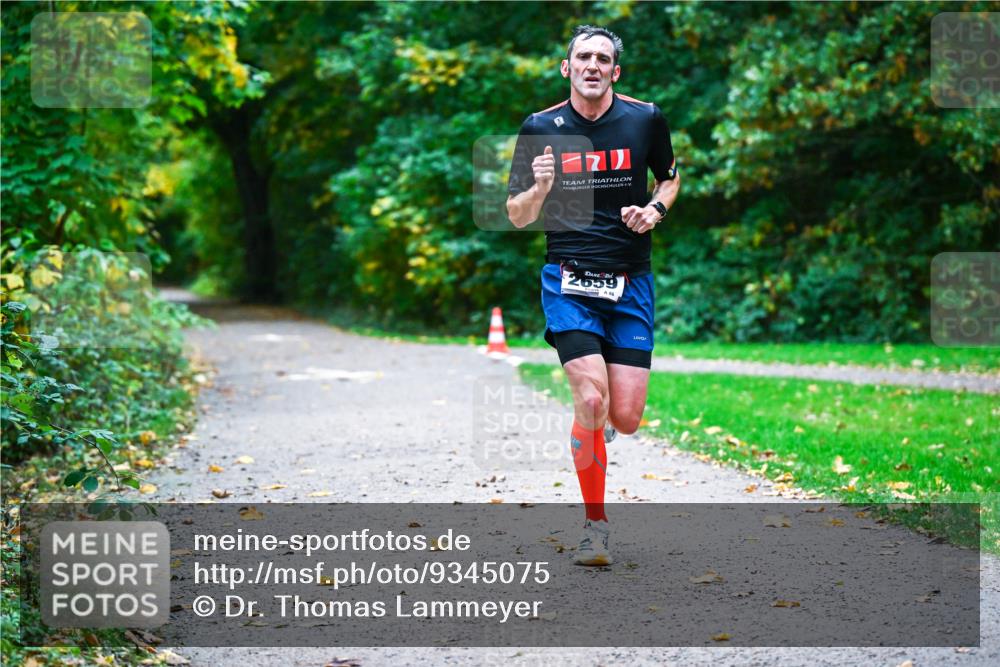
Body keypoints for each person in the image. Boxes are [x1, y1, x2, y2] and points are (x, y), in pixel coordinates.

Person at [506, 25, 680, 566]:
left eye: (603, 59)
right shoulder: (540, 127)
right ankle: (595, 528)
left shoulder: (645, 119)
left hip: (631, 282)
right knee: (591, 400)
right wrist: (540, 187)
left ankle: (600, 424)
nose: (592, 65)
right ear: (567, 67)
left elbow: (669, 178)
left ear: (615, 72)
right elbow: (517, 215)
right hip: (569, 281)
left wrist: (654, 211)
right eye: (583, 56)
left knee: (624, 418)